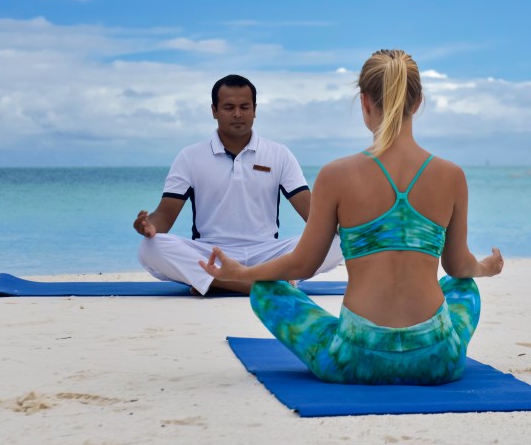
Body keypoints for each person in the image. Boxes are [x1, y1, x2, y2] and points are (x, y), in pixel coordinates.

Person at [200, 50, 503, 384]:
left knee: (265, 290)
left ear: (364, 103)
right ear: (417, 103)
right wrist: (486, 267)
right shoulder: (451, 175)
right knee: (462, 287)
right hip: (437, 359)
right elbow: (459, 267)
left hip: (354, 358)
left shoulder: (336, 175)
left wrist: (244, 272)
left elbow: (303, 265)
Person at [134, 74, 342, 295]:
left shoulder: (279, 154)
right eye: (228, 107)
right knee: (151, 247)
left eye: (244, 106)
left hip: (268, 255)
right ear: (214, 110)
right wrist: (149, 226)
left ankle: (213, 281)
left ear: (255, 109)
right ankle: (254, 284)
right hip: (212, 254)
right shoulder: (190, 157)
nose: (237, 114)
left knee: (339, 243)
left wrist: (347, 223)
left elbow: (312, 214)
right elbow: (165, 217)